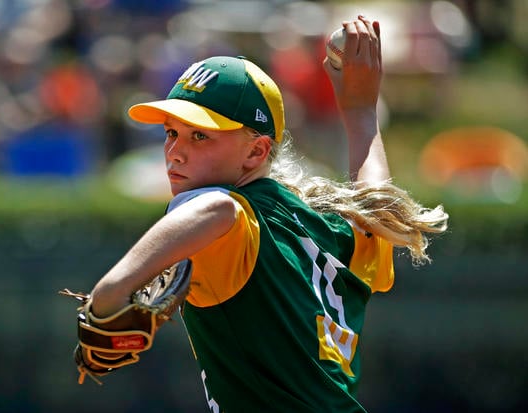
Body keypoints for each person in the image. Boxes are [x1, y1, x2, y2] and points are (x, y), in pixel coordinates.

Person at [87, 15, 448, 412]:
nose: (175, 151)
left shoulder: (229, 219)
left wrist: (109, 293)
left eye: (200, 135)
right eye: (171, 132)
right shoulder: (330, 228)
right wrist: (361, 111)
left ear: (256, 152)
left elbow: (217, 209)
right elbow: (375, 205)